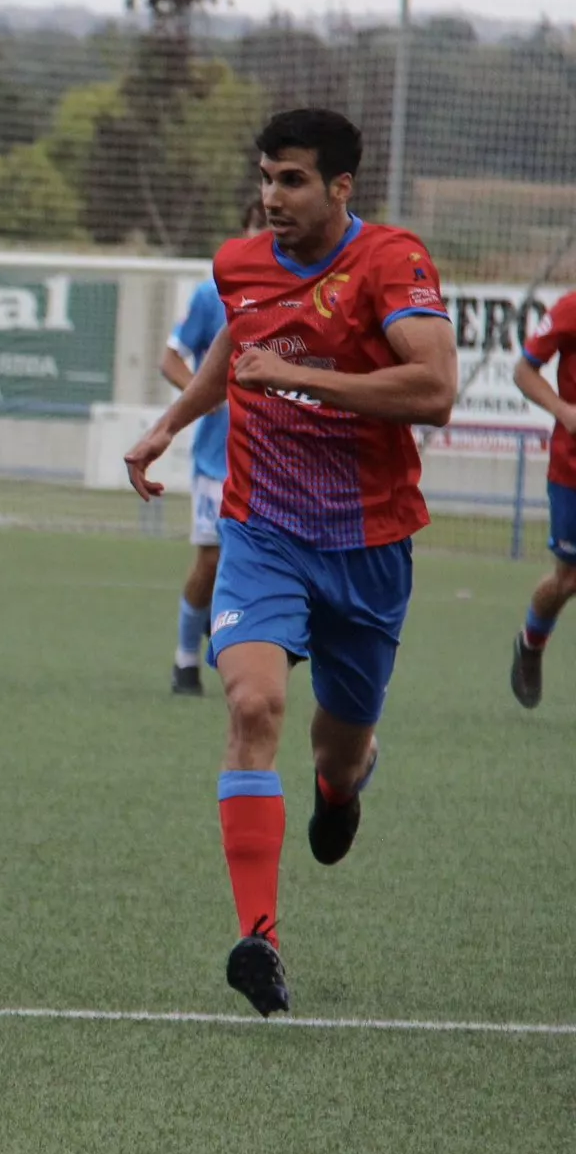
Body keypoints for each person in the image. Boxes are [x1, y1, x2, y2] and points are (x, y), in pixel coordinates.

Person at [124, 108, 457, 1017]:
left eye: (293, 180)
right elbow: (239, 341)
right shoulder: (237, 264)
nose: (272, 196)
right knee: (254, 702)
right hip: (262, 532)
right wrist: (169, 423)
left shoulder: (391, 262)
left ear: (341, 187)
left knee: (336, 757)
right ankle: (259, 941)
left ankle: (340, 788)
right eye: (266, 176)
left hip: (371, 549)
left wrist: (303, 376)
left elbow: (433, 390)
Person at [161, 201, 269, 695]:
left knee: (257, 565)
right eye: (256, 229)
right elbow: (171, 359)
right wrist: (202, 398)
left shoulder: (303, 298)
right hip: (216, 459)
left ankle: (235, 649)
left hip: (273, 460)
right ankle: (186, 662)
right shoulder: (213, 295)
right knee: (210, 561)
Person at [508, 292, 576, 708]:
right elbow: (523, 371)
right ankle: (531, 644)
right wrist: (564, 411)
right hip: (572, 470)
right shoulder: (571, 308)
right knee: (567, 580)